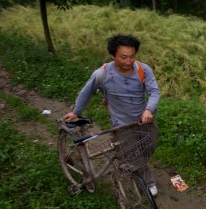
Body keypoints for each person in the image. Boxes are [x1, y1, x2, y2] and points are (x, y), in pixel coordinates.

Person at [63, 34, 161, 196]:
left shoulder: (144, 70)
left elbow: (154, 92)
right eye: (123, 57)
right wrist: (76, 112)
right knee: (133, 154)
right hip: (121, 124)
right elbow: (86, 92)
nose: (128, 61)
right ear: (112, 55)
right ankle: (148, 182)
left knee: (148, 147)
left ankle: (130, 162)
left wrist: (149, 109)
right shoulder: (102, 74)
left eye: (132, 56)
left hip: (144, 120)